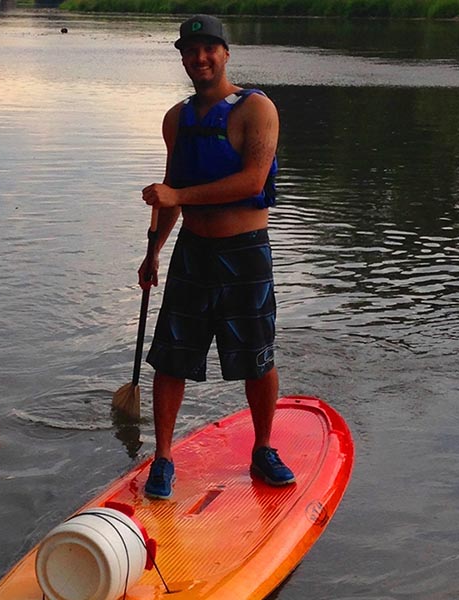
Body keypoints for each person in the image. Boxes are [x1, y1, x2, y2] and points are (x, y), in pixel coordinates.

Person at [139, 15, 295, 499]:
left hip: (244, 252)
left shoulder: (257, 109)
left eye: (209, 49)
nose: (200, 59)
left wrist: (176, 196)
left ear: (226, 53)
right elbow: (172, 192)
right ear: (182, 57)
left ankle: (264, 448)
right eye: (190, 51)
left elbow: (251, 182)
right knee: (170, 358)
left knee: (256, 358)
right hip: (192, 252)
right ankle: (163, 458)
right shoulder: (176, 118)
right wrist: (154, 252)